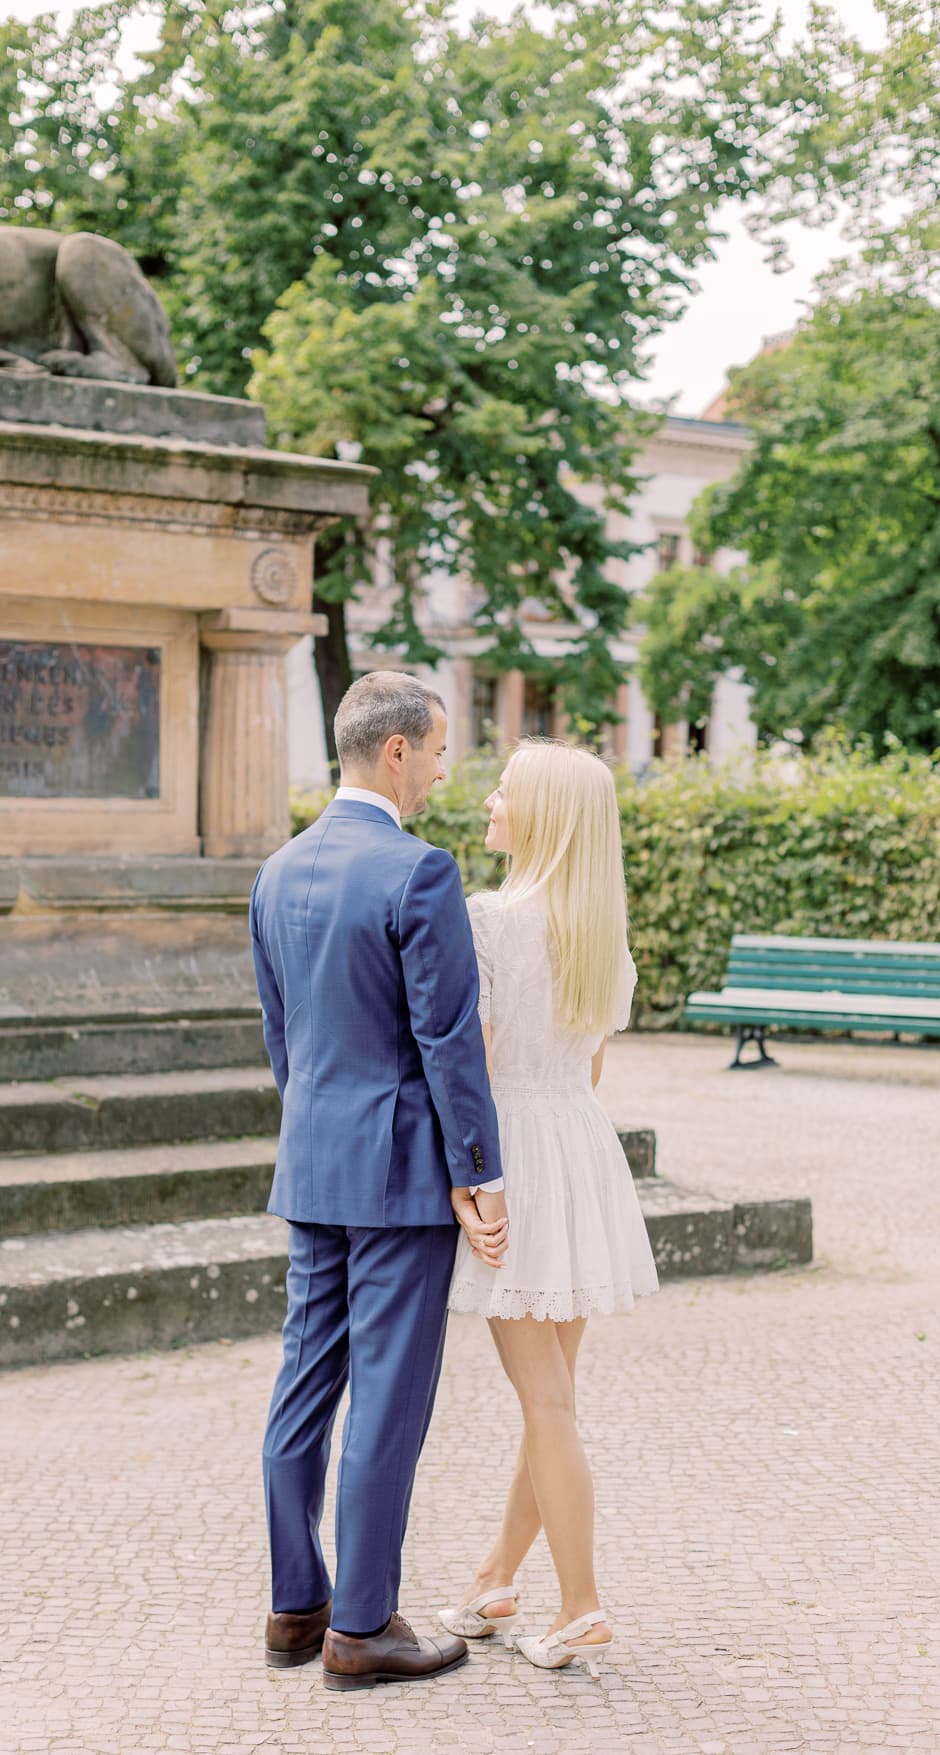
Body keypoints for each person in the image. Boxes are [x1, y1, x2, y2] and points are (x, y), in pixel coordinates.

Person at [250, 670, 509, 1692]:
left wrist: (318, 1128)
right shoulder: (419, 871)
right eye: (440, 750)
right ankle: (361, 1627)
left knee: (302, 1389)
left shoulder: (276, 871)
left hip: (313, 1164)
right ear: (395, 752)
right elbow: (447, 1038)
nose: (445, 769)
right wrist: (476, 1171)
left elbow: (283, 1039)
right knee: (388, 1404)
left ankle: (292, 1605)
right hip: (401, 1175)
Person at [441, 739, 659, 1679]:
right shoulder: (602, 936)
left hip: (519, 1157)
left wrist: (469, 1177)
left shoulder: (490, 918)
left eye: (505, 789)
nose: (490, 799)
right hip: (581, 1150)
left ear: (542, 815)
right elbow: (593, 1067)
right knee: (553, 1402)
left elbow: (475, 1072)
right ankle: (496, 1575)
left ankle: (579, 1605)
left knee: (546, 1404)